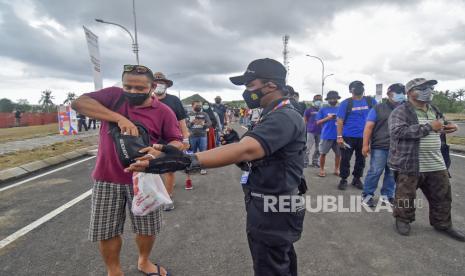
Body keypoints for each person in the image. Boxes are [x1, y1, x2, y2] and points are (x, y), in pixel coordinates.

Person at [126, 58, 307, 276]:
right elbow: (256, 152)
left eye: (250, 85)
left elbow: (247, 150)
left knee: (271, 266)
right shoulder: (273, 112)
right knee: (280, 260)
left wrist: (188, 160)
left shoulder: (283, 116)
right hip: (270, 200)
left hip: (274, 205)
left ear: (271, 85)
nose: (247, 92)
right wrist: (235, 143)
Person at [71, 64, 183, 276]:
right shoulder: (113, 97)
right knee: (107, 230)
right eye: (128, 87)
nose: (132, 92)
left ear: (152, 87)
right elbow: (79, 103)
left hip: (145, 179)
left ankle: (144, 261)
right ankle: (114, 271)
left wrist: (158, 153)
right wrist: (119, 117)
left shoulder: (163, 112)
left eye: (140, 88)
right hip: (107, 177)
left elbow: (177, 142)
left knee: (147, 228)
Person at [388, 78, 464, 241]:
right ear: (409, 93)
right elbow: (398, 132)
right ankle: (403, 219)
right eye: (422, 88)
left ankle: (443, 224)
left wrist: (451, 126)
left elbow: (441, 123)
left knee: (442, 195)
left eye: (429, 87)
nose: (428, 90)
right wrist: (429, 127)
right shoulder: (401, 112)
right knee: (405, 196)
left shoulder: (433, 109)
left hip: (436, 162)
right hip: (410, 163)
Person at [361, 83, 405, 207]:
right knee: (375, 171)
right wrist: (365, 145)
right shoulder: (378, 108)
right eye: (397, 92)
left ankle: (387, 196)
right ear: (389, 94)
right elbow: (368, 127)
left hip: (398, 147)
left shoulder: (406, 108)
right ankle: (367, 195)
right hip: (380, 146)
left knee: (392, 173)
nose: (400, 95)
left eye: (402, 92)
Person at [153, 71, 190, 211]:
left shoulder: (174, 100)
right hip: (151, 140)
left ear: (166, 85)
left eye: (161, 83)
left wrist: (185, 138)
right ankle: (153, 195)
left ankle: (167, 197)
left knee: (169, 170)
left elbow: (182, 121)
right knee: (151, 169)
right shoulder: (146, 100)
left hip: (171, 139)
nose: (159, 85)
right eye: (156, 83)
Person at [336, 81, 377, 190]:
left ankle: (356, 179)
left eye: (361, 86)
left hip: (364, 137)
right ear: (350, 90)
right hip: (347, 137)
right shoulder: (346, 103)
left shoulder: (371, 101)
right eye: (355, 87)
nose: (359, 88)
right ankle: (343, 179)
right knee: (345, 159)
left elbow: (378, 116)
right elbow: (340, 120)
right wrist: (339, 137)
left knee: (361, 159)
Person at [315, 91, 341, 177]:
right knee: (323, 153)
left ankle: (336, 169)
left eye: (334, 98)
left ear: (337, 99)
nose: (333, 100)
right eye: (331, 98)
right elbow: (318, 122)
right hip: (327, 135)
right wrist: (328, 118)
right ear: (328, 99)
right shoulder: (323, 109)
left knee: (338, 154)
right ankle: (322, 170)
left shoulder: (341, 108)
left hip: (338, 135)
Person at [187, 100, 211, 175]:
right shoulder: (189, 114)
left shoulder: (204, 114)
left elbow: (209, 123)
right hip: (192, 136)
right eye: (197, 105)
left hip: (202, 135)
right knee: (192, 153)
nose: (199, 107)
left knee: (203, 152)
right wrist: (192, 123)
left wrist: (204, 124)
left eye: (200, 105)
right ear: (192, 105)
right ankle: (193, 166)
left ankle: (203, 168)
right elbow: (186, 125)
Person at [304, 95, 323, 168]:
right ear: (314, 101)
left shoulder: (322, 109)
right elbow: (305, 119)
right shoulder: (309, 109)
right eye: (317, 100)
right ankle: (305, 162)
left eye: (320, 100)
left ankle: (315, 162)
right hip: (311, 131)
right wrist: (306, 127)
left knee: (318, 148)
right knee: (308, 147)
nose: (318, 101)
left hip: (320, 131)